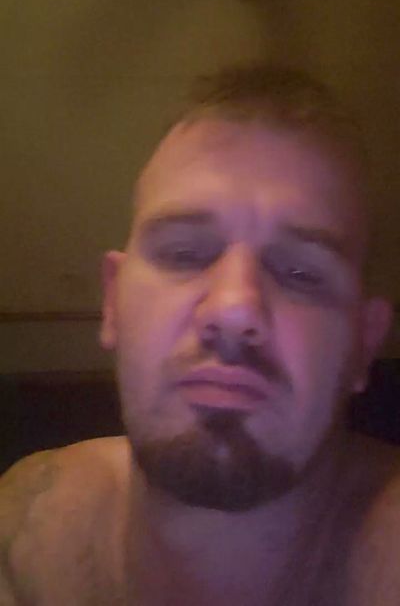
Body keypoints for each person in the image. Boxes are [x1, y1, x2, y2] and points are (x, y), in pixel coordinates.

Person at [0, 64, 398, 606]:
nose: (234, 309)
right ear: (113, 303)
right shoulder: (27, 527)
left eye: (301, 273)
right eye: (185, 253)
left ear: (363, 343)